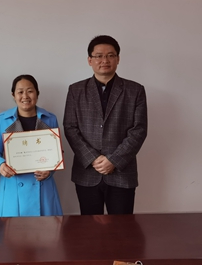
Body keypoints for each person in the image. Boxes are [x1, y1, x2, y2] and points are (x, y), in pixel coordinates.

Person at [63, 35, 147, 215]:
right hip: (87, 172)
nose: (105, 60)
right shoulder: (76, 90)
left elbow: (139, 130)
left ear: (118, 59)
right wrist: (93, 158)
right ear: (90, 60)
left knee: (122, 228)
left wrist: (113, 160)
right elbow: (70, 128)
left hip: (122, 173)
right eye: (99, 56)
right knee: (89, 227)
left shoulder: (135, 90)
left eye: (110, 55)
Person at [0, 74, 63, 217]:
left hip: (43, 185)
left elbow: (58, 152)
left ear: (37, 93)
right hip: (12, 186)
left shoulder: (50, 118)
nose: (25, 96)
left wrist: (50, 171)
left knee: (45, 230)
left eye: (30, 91)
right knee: (11, 230)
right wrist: (1, 165)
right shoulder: (3, 119)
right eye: (20, 92)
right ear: (13, 95)